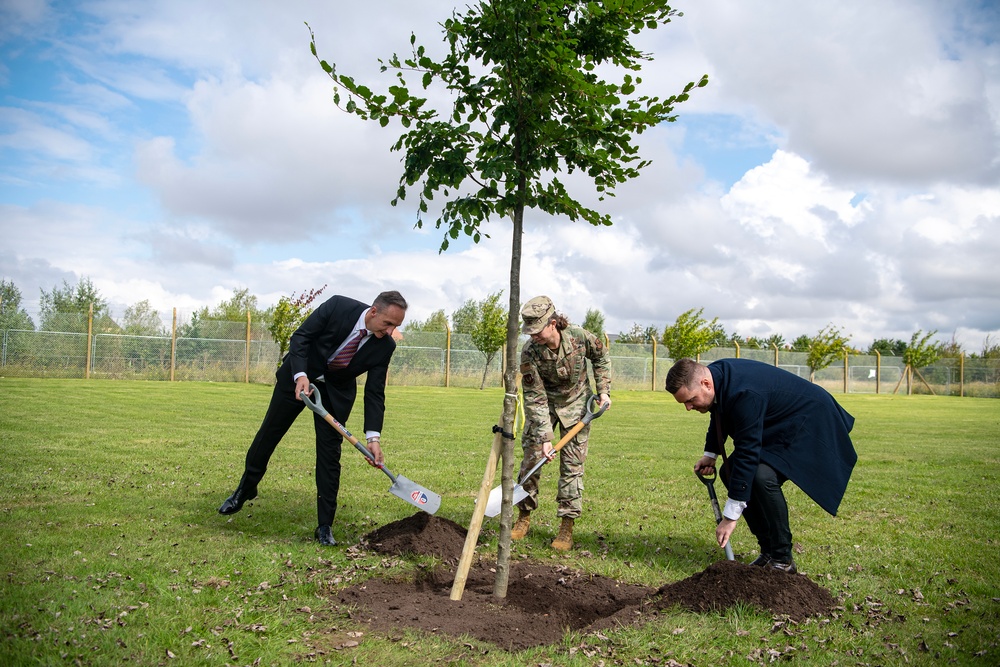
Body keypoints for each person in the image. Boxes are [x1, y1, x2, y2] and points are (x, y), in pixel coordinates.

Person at [218, 291, 407, 546]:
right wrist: (301, 376)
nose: (391, 330)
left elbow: (375, 392)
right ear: (374, 312)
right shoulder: (338, 306)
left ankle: (325, 525)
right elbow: (301, 337)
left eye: (396, 326)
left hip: (334, 393)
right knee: (269, 434)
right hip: (298, 376)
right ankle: (245, 488)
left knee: (330, 456)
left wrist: (373, 437)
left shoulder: (385, 346)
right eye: (388, 323)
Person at [665, 357, 857, 573]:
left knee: (761, 476)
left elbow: (748, 452)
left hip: (810, 420)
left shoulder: (745, 393)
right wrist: (711, 453)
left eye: (690, 400)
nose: (688, 408)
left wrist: (730, 518)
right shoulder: (717, 377)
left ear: (705, 384)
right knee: (731, 473)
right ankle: (768, 551)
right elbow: (719, 411)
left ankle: (783, 559)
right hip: (777, 421)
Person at [513, 296, 611, 551]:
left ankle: (566, 527)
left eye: (537, 330)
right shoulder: (529, 352)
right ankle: (523, 516)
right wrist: (546, 437)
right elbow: (534, 397)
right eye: (529, 331)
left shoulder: (580, 337)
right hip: (544, 407)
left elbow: (601, 358)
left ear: (553, 323)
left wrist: (603, 391)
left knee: (572, 467)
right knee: (531, 461)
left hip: (578, 407)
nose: (533, 336)